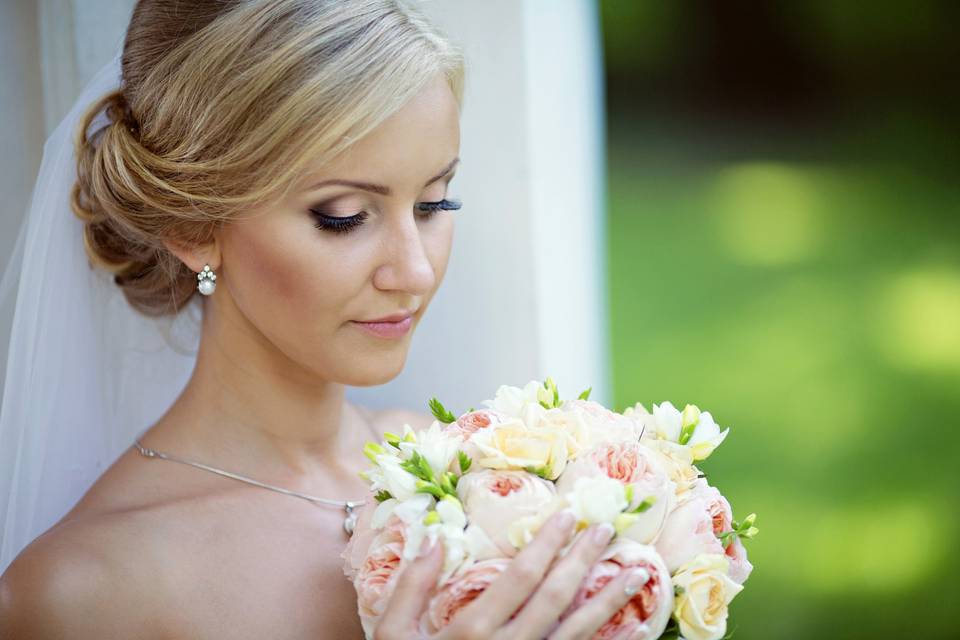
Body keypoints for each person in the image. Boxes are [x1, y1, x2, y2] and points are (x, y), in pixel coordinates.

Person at [0, 2, 644, 638]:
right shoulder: (81, 592)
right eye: (343, 216)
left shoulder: (482, 475)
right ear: (192, 227)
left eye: (433, 202)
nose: (415, 272)